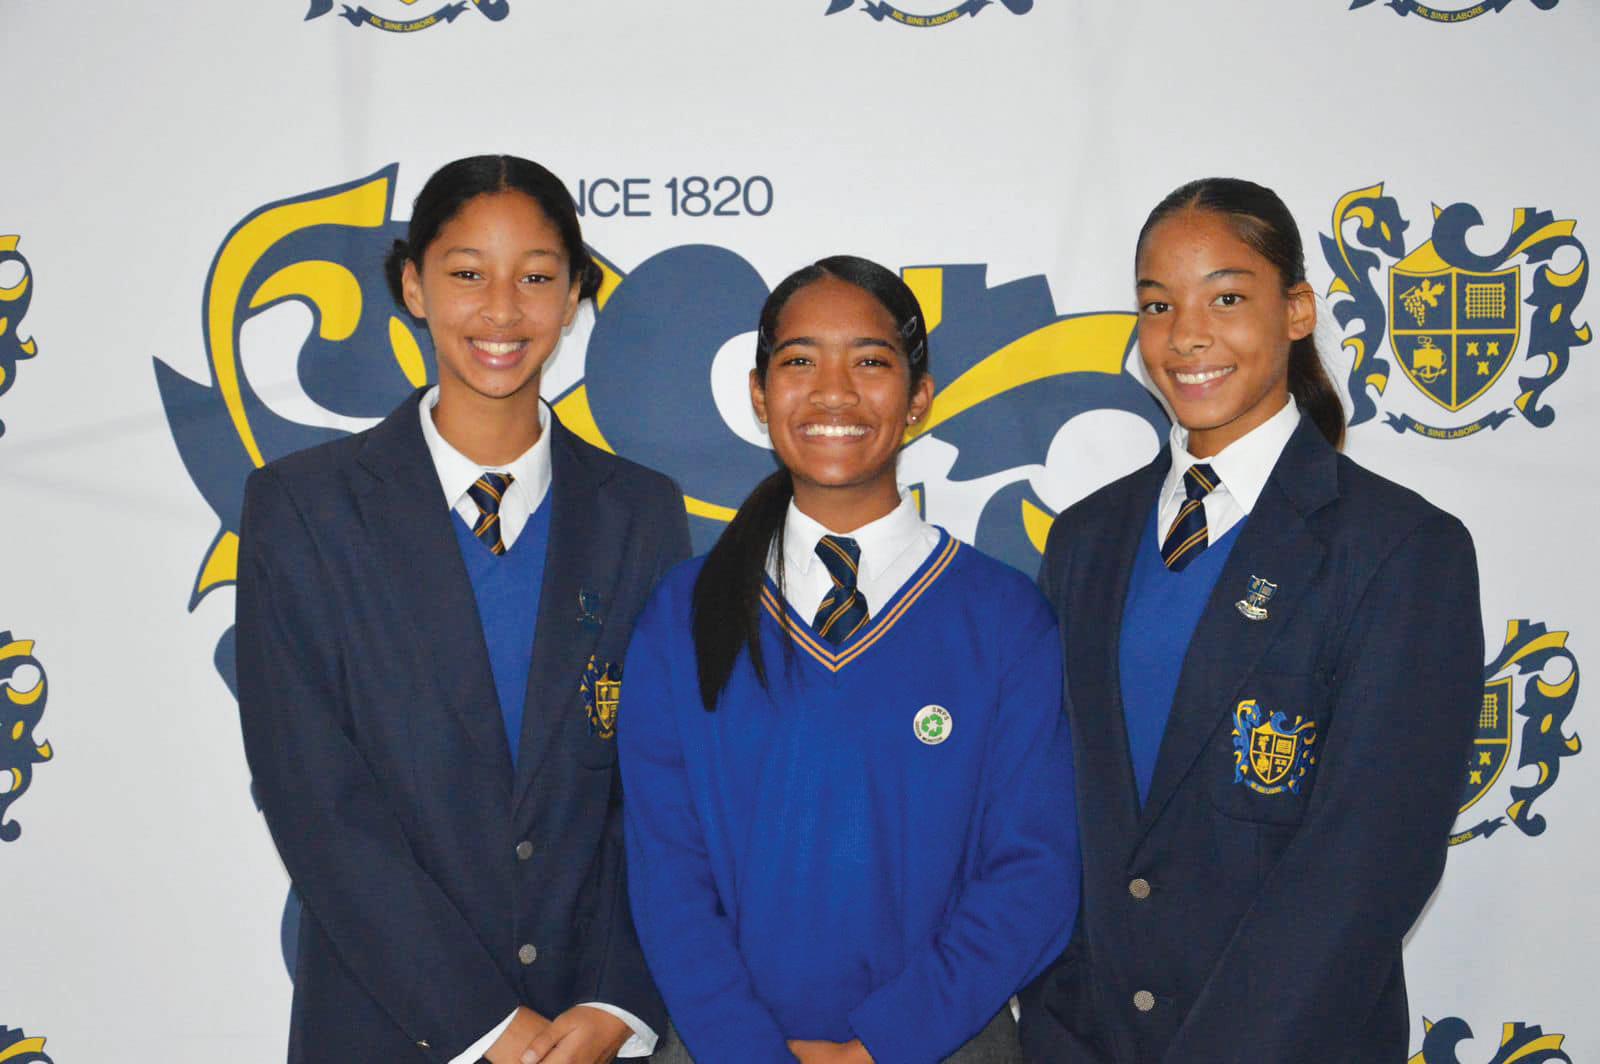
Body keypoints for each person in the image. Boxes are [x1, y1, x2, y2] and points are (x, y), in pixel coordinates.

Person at [235, 154, 690, 1064]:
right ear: (413, 286)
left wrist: (616, 997)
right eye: (468, 274)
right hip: (384, 1025)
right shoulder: (305, 509)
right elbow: (314, 796)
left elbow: (660, 784)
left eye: (537, 277)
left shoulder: (640, 512)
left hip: (585, 1034)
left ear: (574, 295)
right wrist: (481, 1022)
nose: (502, 311)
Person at [1018, 177, 1483, 1063]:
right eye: (1159, 305)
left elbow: (1367, 865)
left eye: (1226, 298)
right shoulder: (1085, 540)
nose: (1187, 334)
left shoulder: (1401, 548)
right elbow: (1051, 816)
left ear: (1297, 311)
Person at [618, 256, 1081, 1064]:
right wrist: (747, 1051)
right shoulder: (682, 612)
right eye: (800, 361)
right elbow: (666, 873)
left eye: (869, 361)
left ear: (920, 396)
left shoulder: (1004, 618)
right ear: (760, 393)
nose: (833, 393)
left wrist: (884, 1044)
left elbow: (1034, 874)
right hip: (719, 1048)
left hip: (945, 1043)